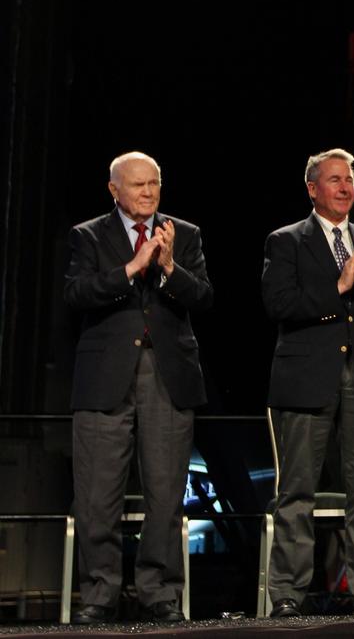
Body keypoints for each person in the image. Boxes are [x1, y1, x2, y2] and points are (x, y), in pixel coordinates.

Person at [64, 151, 213, 624]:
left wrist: (169, 267)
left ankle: (160, 593)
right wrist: (131, 268)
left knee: (167, 494)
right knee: (96, 497)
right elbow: (76, 294)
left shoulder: (183, 235)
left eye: (154, 184)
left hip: (167, 376)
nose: (148, 193)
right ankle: (99, 595)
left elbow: (203, 298)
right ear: (114, 190)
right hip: (106, 377)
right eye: (137, 186)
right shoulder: (88, 235)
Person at [262, 148, 354, 617]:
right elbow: (279, 305)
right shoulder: (286, 240)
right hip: (306, 378)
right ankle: (287, 592)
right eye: (334, 180)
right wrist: (339, 288)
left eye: (348, 180)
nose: (345, 187)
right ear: (312, 188)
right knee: (297, 489)